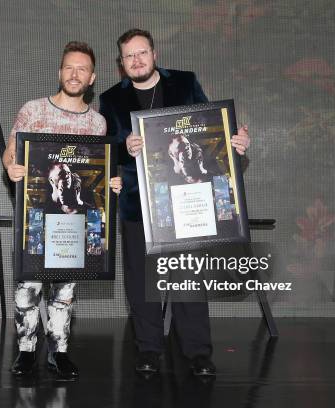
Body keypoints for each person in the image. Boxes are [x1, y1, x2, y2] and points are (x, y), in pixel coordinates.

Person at [99, 29, 250, 377]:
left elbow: (211, 129)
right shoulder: (110, 99)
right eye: (128, 56)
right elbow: (107, 149)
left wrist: (235, 141)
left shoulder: (185, 82)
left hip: (187, 200)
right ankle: (149, 350)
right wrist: (126, 149)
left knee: (187, 279)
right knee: (141, 282)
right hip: (138, 203)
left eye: (142, 53)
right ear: (121, 64)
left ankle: (197, 352)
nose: (136, 60)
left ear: (155, 53)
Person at [2, 41, 122, 380]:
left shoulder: (98, 124)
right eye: (69, 67)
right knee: (29, 288)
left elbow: (99, 173)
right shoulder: (34, 110)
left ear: (92, 77)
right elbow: (10, 154)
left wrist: (109, 186)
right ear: (60, 72)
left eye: (82, 68)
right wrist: (11, 167)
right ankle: (26, 351)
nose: (75, 73)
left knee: (65, 291)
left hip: (74, 222)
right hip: (36, 217)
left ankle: (59, 352)